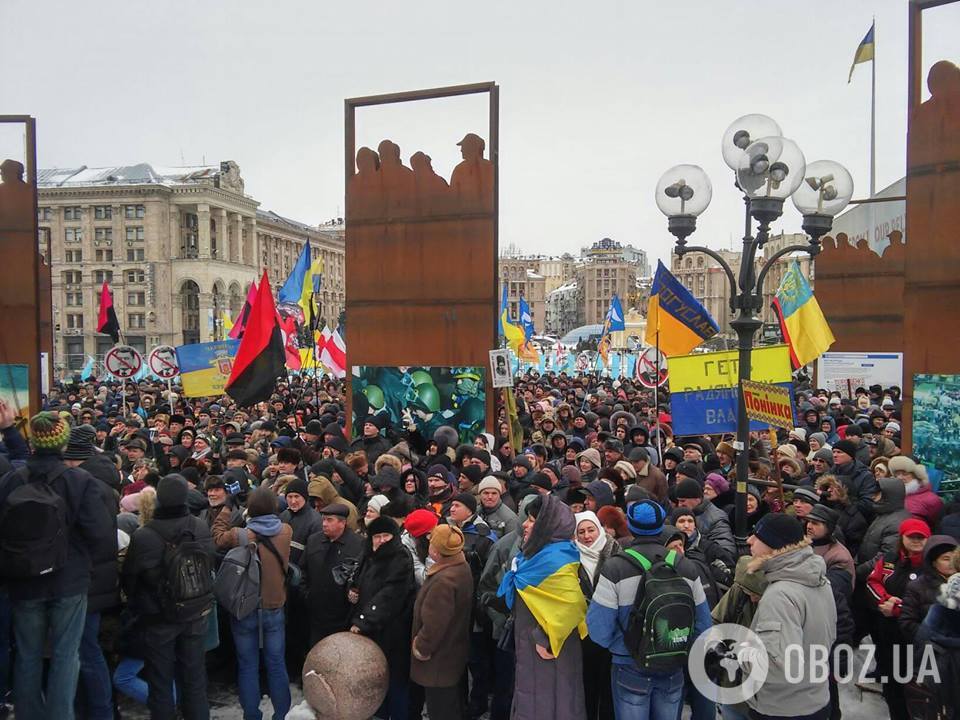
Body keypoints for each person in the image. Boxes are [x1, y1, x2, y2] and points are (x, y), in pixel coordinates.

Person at [0, 412, 113, 720]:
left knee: (27, 655)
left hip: (24, 581)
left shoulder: (12, 478)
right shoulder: (79, 480)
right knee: (66, 656)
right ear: (64, 444)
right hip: (69, 580)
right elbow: (102, 534)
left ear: (34, 442)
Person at [587, 500, 712, 720]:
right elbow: (703, 625)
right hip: (673, 662)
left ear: (631, 525)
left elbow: (598, 628)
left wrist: (627, 646)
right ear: (661, 525)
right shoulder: (684, 565)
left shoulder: (615, 567)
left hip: (629, 664)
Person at [122, 474, 216, 720]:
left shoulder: (145, 535)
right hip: (195, 612)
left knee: (161, 683)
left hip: (158, 617)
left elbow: (129, 580)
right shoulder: (200, 526)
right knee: (195, 680)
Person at [498, 495, 588, 720]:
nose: (526, 525)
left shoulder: (556, 560)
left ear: (547, 525)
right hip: (531, 649)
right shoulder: (535, 556)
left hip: (550, 651)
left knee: (550, 704)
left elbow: (574, 606)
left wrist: (545, 638)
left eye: (531, 520)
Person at [744, 514, 837, 720]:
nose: (749, 540)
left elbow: (778, 666)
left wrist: (739, 656)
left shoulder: (780, 595)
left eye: (757, 537)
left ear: (773, 546)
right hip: (816, 698)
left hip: (782, 708)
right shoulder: (818, 579)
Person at [212, 487, 293, 720]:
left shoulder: (240, 535)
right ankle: (282, 714)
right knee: (276, 664)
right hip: (274, 607)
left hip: (244, 609)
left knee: (247, 665)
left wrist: (228, 508)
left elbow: (216, 535)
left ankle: (251, 714)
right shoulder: (286, 531)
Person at [349, 515, 416, 720]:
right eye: (376, 536)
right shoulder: (369, 555)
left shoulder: (401, 558)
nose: (381, 540)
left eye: (385, 536)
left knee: (395, 682)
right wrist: (353, 590)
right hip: (373, 632)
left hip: (392, 633)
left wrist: (362, 621)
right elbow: (361, 580)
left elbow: (390, 595)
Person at [865, 517, 931, 720]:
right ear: (902, 537)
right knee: (891, 680)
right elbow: (873, 582)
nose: (917, 541)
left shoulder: (931, 565)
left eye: (921, 538)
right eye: (912, 537)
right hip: (888, 632)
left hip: (916, 637)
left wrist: (897, 609)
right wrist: (884, 600)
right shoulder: (890, 558)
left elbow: (930, 602)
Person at [410, 524, 474, 720]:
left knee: (440, 709)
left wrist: (421, 647)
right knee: (451, 705)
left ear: (436, 552)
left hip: (438, 659)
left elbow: (434, 624)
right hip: (452, 652)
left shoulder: (443, 581)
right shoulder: (461, 567)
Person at [575, 511, 620, 720]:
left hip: (612, 630)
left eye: (591, 530)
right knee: (586, 686)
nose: (587, 536)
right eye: (581, 532)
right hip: (582, 634)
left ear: (599, 529)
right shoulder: (572, 557)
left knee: (609, 688)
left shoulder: (616, 552)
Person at [302, 503, 364, 644]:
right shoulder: (314, 541)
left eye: (329, 520)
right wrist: (307, 595)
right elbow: (303, 570)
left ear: (342, 523)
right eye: (323, 519)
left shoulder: (358, 545)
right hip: (316, 614)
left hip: (342, 617)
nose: (324, 524)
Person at [888, 455, 943, 529]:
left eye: (905, 474)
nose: (900, 478)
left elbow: (936, 525)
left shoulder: (932, 499)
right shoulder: (891, 494)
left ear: (916, 476)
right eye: (897, 474)